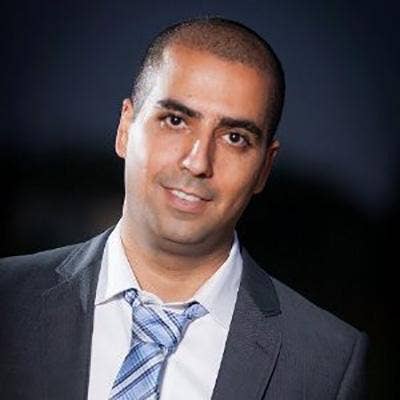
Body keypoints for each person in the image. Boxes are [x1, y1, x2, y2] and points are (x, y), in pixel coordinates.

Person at [0, 17, 367, 400]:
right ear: (124, 128)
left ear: (264, 167)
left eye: (235, 138)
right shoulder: (9, 297)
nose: (197, 162)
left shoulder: (327, 364)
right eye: (175, 120)